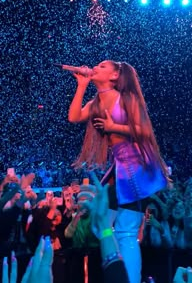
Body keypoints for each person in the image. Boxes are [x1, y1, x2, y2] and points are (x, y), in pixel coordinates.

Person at [68, 60, 170, 283]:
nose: (95, 67)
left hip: (135, 168)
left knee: (126, 231)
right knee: (102, 224)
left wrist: (114, 127)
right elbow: (74, 117)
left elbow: (144, 130)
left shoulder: (127, 99)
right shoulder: (96, 102)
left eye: (102, 66)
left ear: (115, 76)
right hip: (120, 168)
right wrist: (82, 85)